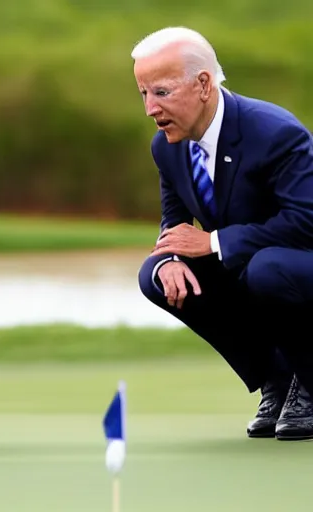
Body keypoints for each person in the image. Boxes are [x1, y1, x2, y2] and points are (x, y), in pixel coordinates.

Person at [133, 26, 313, 441]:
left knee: (265, 268)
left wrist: (214, 242)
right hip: (254, 267)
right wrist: (171, 259)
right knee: (155, 276)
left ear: (202, 84)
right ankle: (276, 379)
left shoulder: (274, 131)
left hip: (298, 265)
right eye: (143, 93)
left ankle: (310, 378)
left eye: (161, 92)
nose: (149, 109)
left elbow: (308, 222)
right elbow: (174, 224)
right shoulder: (166, 146)